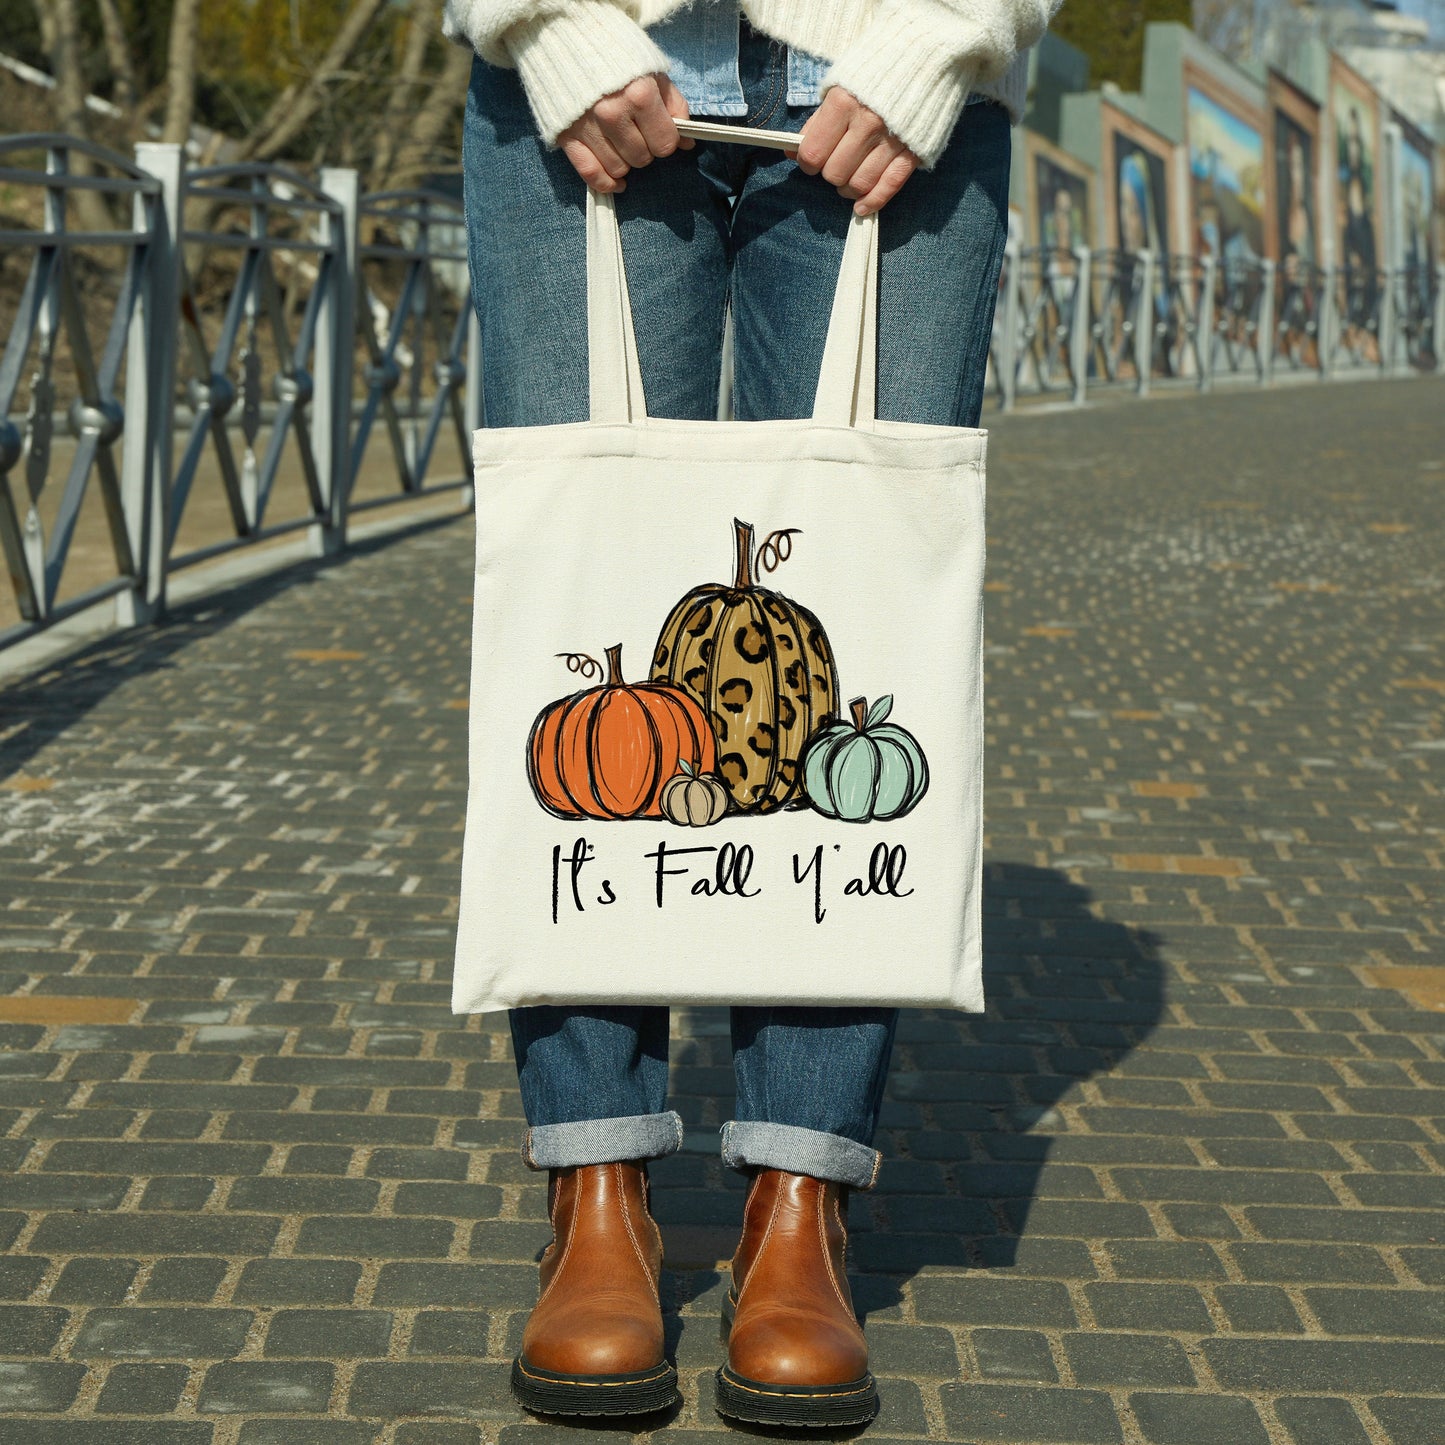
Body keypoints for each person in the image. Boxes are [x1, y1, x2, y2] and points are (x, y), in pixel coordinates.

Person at [445, 0, 1062, 1427]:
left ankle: (804, 1196)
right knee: (572, 607)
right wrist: (535, 22)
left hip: (896, 70)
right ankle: (593, 1187)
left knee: (864, 603)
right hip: (579, 60)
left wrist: (949, 34)